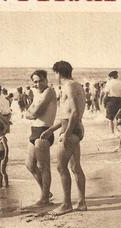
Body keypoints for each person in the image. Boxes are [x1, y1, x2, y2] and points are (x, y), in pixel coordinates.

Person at [40, 60, 86, 216]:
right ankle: (81, 202)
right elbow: (69, 114)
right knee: (75, 167)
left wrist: (66, 134)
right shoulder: (77, 85)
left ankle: (67, 204)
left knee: (61, 167)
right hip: (75, 128)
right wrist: (51, 129)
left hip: (70, 129)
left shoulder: (68, 86)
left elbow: (74, 112)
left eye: (54, 73)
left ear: (58, 72)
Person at [25, 70, 57, 206]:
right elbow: (28, 112)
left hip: (44, 130)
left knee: (44, 167)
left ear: (46, 80)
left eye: (39, 81)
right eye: (35, 82)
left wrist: (32, 113)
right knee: (30, 165)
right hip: (34, 130)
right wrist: (32, 113)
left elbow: (36, 112)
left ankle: (44, 198)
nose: (37, 84)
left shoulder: (49, 91)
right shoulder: (37, 93)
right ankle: (46, 191)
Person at [103, 70, 121, 137]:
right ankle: (119, 131)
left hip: (111, 101)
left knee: (110, 119)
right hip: (119, 100)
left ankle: (112, 133)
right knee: (118, 118)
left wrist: (104, 102)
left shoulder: (109, 83)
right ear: (116, 76)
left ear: (110, 77)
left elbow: (106, 94)